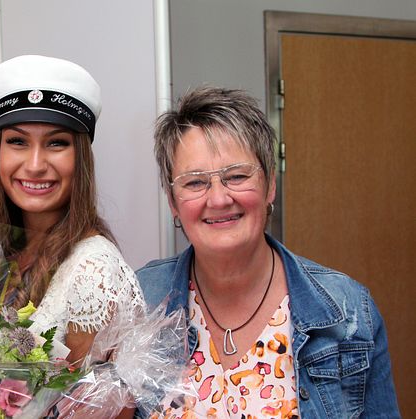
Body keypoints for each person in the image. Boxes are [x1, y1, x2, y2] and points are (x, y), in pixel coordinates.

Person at [137, 86, 400, 417]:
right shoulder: (140, 301)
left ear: (270, 185)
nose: (218, 199)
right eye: (194, 182)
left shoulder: (348, 311)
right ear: (173, 202)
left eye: (237, 176)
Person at [0, 55, 144, 417]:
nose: (35, 164)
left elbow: (110, 412)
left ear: (80, 157)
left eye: (56, 143)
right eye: (18, 142)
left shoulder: (92, 272)